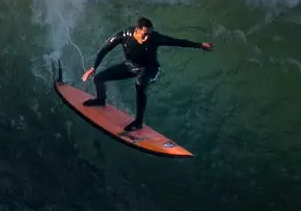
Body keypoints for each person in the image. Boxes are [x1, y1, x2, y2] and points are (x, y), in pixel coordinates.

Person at [82, 17, 212, 132]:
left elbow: (176, 41)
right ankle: (100, 99)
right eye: (144, 34)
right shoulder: (123, 35)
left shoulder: (154, 38)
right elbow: (105, 49)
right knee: (99, 78)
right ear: (136, 30)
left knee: (140, 84)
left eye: (149, 34)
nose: (147, 38)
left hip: (150, 69)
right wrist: (94, 67)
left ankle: (138, 122)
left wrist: (199, 45)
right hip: (130, 66)